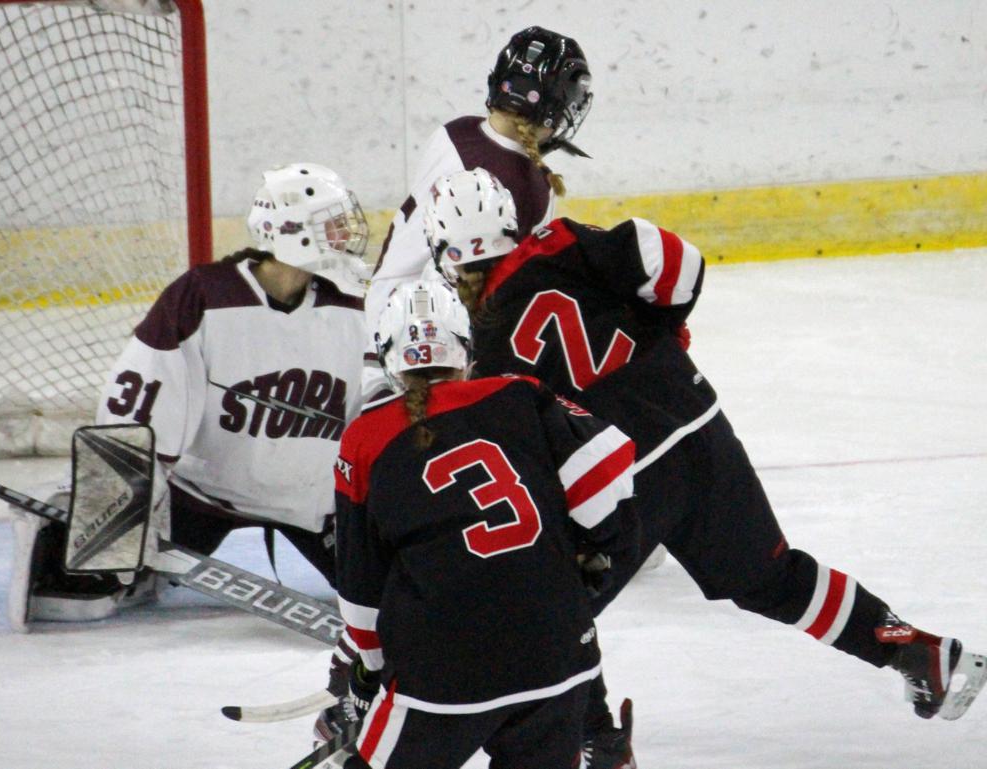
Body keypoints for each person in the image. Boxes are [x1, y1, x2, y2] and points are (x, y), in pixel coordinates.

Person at [421, 168, 987, 747]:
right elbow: (677, 262)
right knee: (769, 575)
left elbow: (522, 450)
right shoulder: (563, 243)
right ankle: (918, 653)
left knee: (556, 621)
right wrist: (661, 326)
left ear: (444, 256)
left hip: (621, 479)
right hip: (695, 428)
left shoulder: (477, 346)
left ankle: (601, 749)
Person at [8, 162, 371, 646]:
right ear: (291, 231)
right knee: (77, 597)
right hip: (202, 496)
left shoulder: (356, 304)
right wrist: (117, 514)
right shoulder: (203, 296)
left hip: (313, 504)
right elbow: (139, 405)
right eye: (333, 223)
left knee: (387, 594)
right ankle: (80, 549)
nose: (346, 235)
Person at [331, 278, 638, 769]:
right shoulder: (520, 393)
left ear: (387, 360)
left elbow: (361, 590)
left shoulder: (365, 439)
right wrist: (594, 555)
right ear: (466, 350)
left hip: (442, 675)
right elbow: (608, 473)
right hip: (559, 657)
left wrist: (370, 671)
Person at [361, 25, 593, 402]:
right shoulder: (528, 187)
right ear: (552, 109)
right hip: (438, 350)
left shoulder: (456, 132)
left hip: (392, 323)